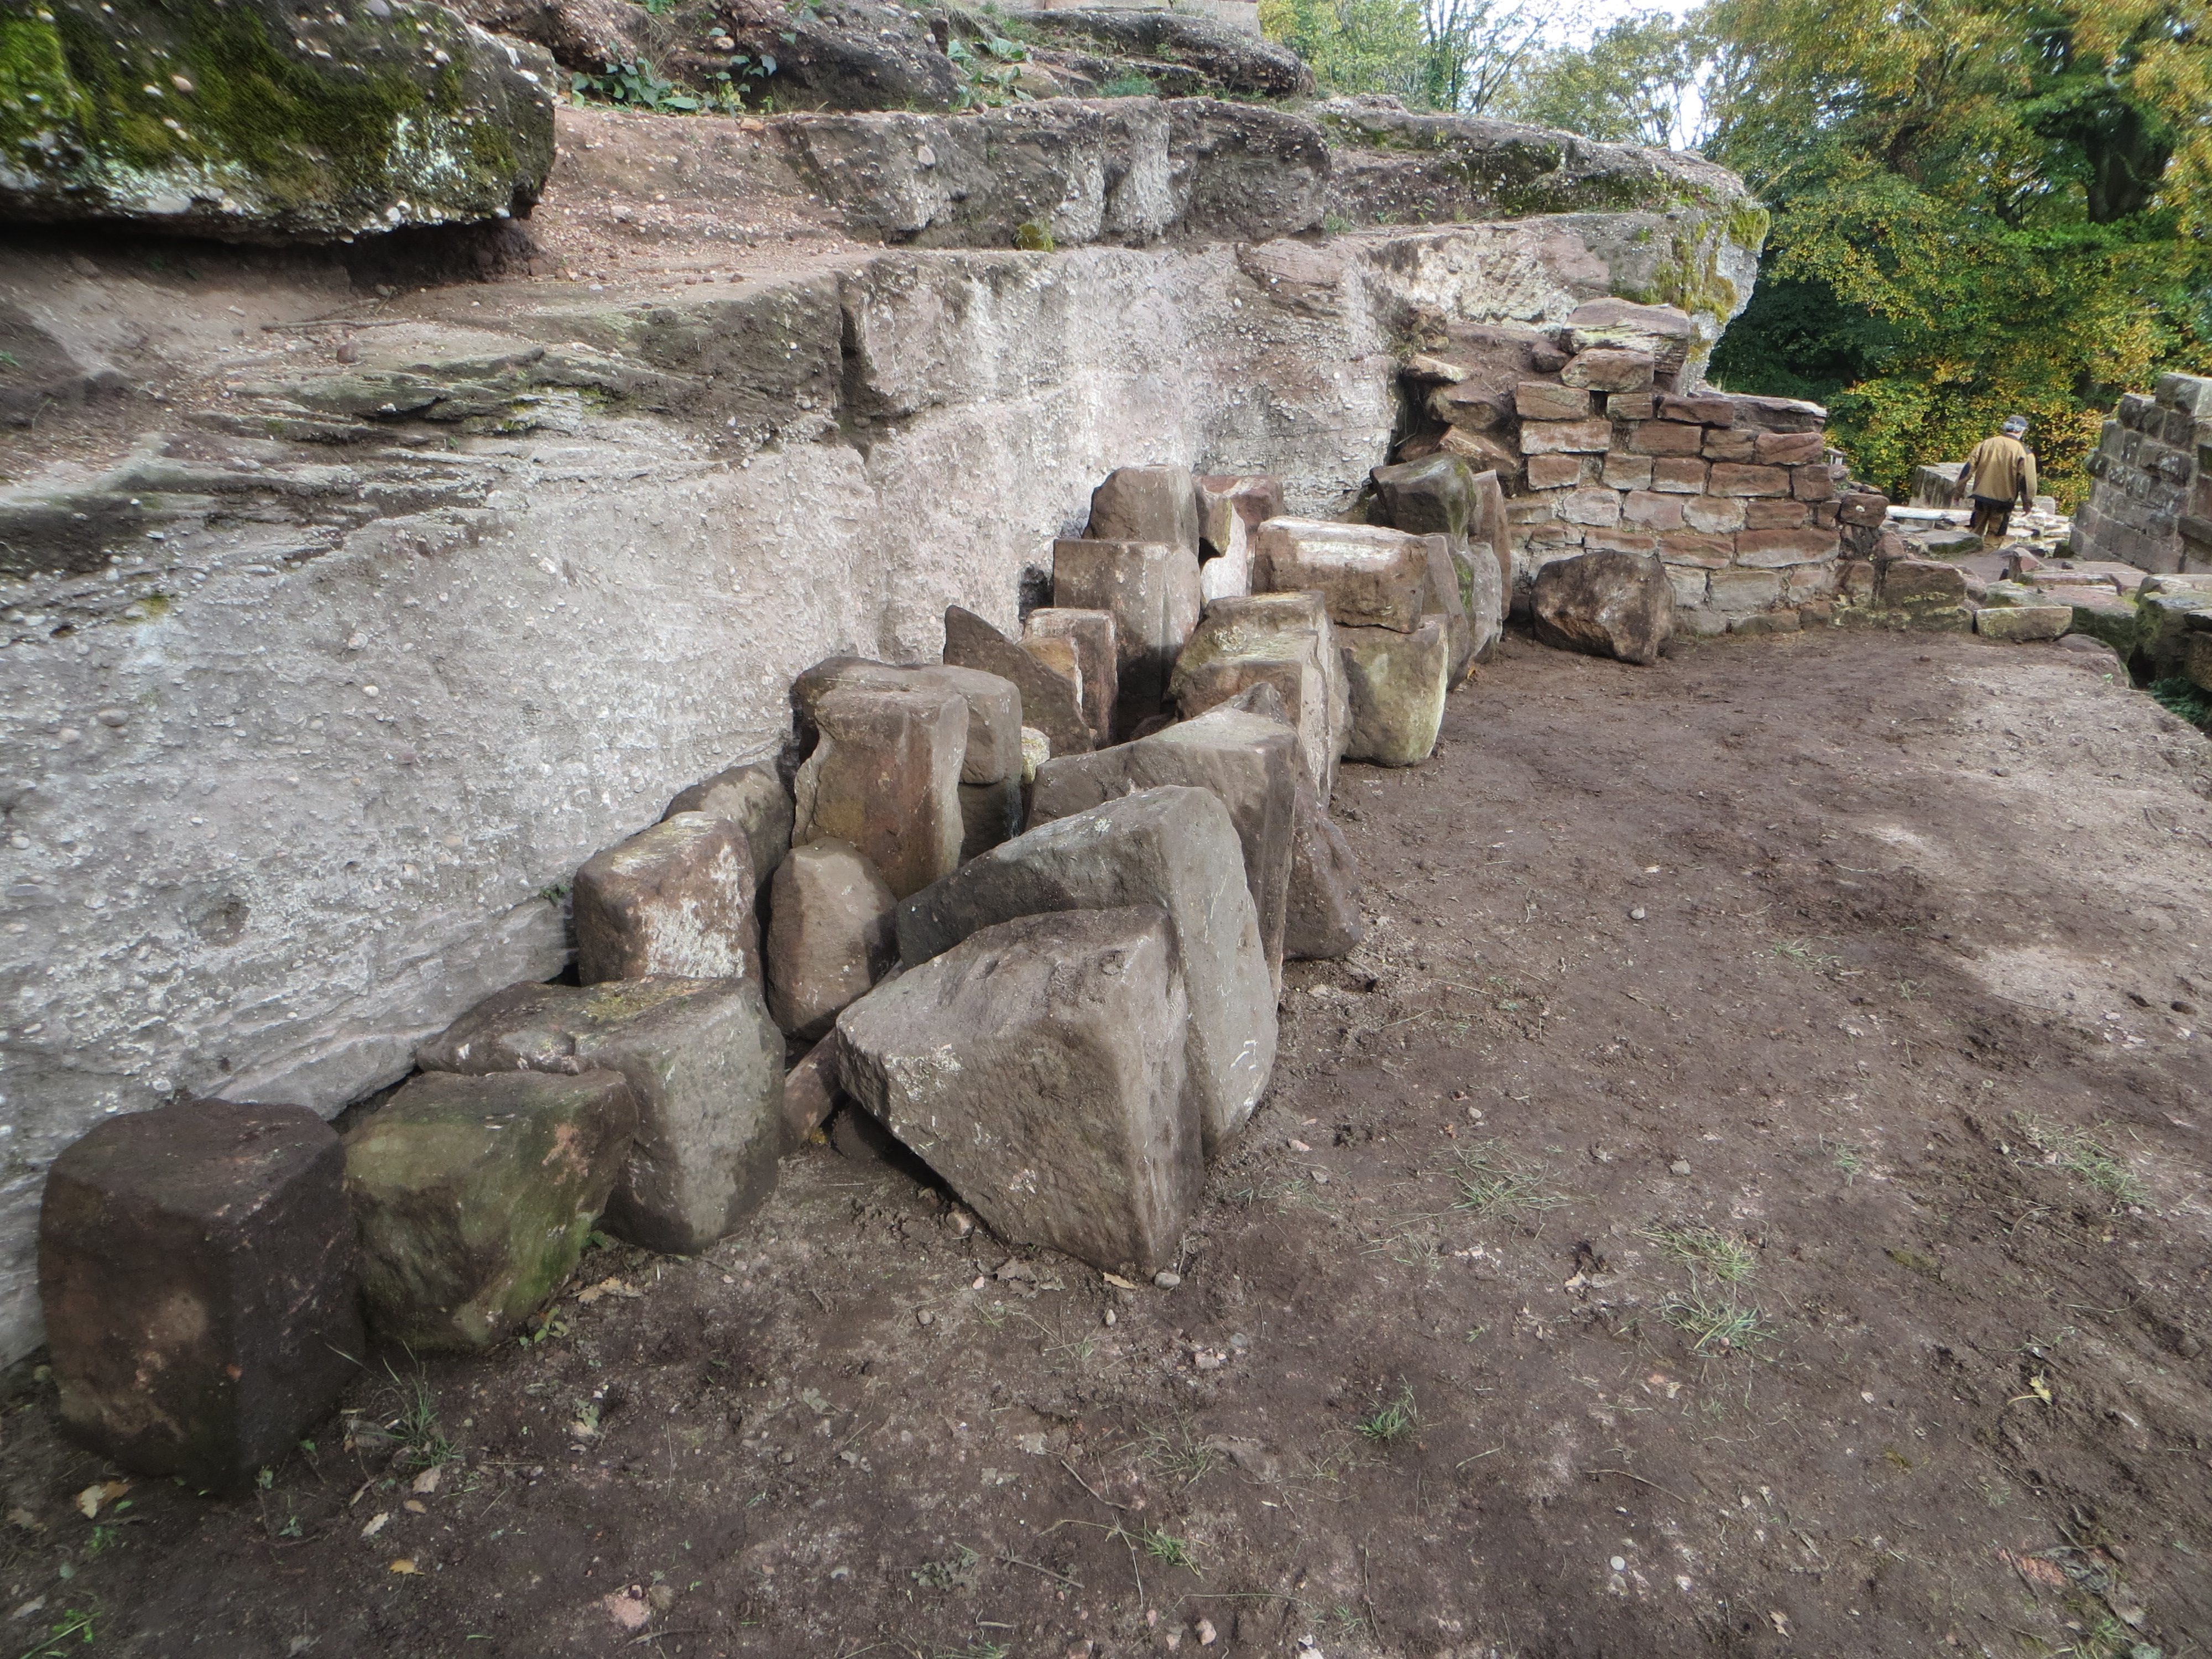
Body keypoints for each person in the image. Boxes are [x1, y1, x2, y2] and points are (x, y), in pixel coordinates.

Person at [1960, 415, 2038, 543]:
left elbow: (1967, 470)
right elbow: (2027, 483)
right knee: (1995, 536)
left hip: (1981, 497)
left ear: (2005, 427)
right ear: (2022, 431)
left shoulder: (1986, 444)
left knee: (1974, 532)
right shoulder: (2025, 452)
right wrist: (2027, 504)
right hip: (2004, 502)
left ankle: (1968, 552)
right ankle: (1987, 555)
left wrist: (1958, 492)